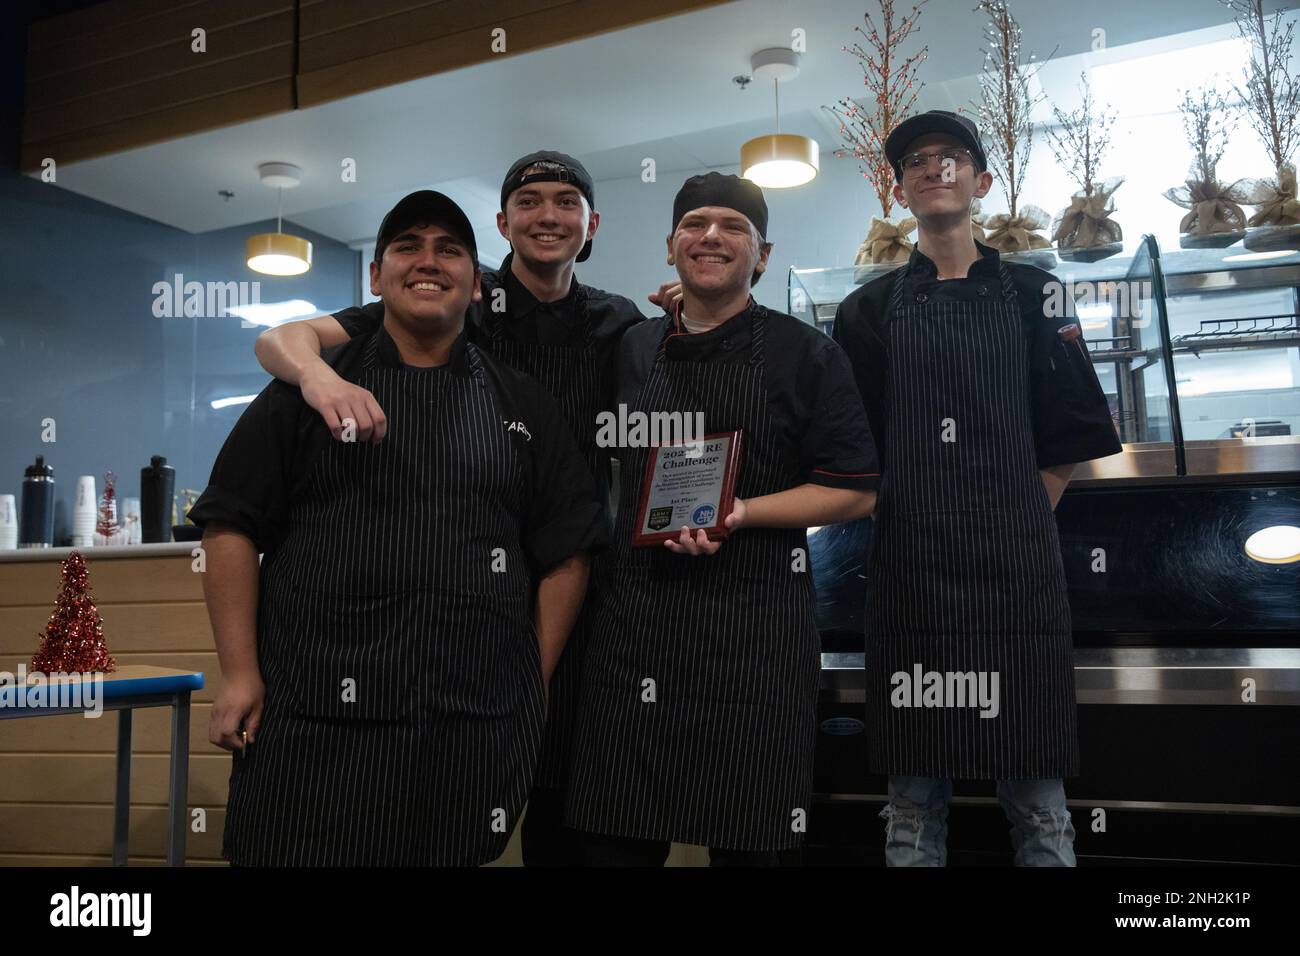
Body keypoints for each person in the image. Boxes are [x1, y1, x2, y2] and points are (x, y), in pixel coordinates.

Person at [252, 151, 662, 866]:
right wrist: (317, 380)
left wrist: (691, 306)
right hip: (473, 580)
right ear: (503, 223)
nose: (547, 216)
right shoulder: (464, 294)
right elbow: (280, 338)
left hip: (576, 572)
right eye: (529, 202)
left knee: (574, 799)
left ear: (590, 223)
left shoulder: (618, 319)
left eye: (565, 202)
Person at [832, 110, 1123, 866]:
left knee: (1040, 806)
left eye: (952, 157)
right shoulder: (865, 310)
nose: (934, 168)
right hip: (911, 576)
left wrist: (1016, 521)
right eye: (917, 162)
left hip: (1017, 580)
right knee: (911, 809)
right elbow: (856, 450)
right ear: (899, 190)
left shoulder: (1040, 294)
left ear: (982, 180)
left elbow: (1070, 435)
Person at [565, 172, 880, 866]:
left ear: (761, 256)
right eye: (696, 224)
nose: (712, 236)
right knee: (613, 845)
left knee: (749, 845)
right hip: (635, 631)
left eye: (733, 227)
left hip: (753, 637)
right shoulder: (632, 348)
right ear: (671, 248)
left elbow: (854, 490)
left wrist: (740, 512)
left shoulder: (808, 353)